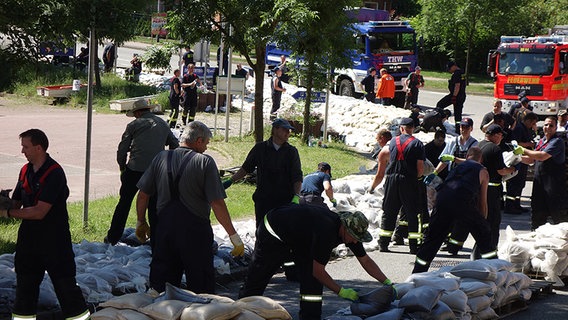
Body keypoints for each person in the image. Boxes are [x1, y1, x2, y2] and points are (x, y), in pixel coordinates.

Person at [135, 121, 244, 293]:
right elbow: (216, 203)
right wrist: (233, 235)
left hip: (164, 231)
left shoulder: (161, 158)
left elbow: (143, 195)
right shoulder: (205, 162)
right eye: (207, 143)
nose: (207, 148)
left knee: (161, 288)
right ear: (199, 140)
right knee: (200, 287)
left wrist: (141, 222)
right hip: (195, 233)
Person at [238, 208, 394, 320]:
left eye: (357, 238)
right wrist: (341, 291)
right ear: (344, 228)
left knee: (312, 283)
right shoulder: (326, 232)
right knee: (260, 273)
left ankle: (310, 316)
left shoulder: (351, 232)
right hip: (274, 230)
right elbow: (319, 271)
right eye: (353, 237)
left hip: (302, 238)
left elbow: (365, 260)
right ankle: (239, 310)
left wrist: (386, 282)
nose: (354, 241)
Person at [0, 129, 90, 320]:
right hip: (29, 240)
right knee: (25, 290)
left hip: (54, 240)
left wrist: (7, 213)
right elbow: (17, 202)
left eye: (25, 147)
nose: (22, 151)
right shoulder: (25, 171)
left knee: (66, 289)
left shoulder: (54, 173)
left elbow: (39, 212)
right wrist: (4, 202)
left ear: (38, 148)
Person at [106, 99, 179, 246]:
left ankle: (113, 237)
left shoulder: (133, 125)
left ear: (138, 112)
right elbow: (174, 145)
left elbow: (122, 149)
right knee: (154, 206)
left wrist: (122, 167)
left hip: (134, 169)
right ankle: (156, 241)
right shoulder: (163, 124)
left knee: (124, 203)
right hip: (156, 171)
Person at [413, 147, 498, 273]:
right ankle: (494, 269)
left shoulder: (457, 168)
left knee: (433, 238)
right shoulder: (483, 171)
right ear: (481, 159)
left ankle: (418, 272)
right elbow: (482, 201)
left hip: (443, 201)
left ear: (467, 155)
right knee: (484, 234)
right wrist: (482, 222)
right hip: (463, 202)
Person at [224, 118, 302, 227]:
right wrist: (231, 180)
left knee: (283, 231)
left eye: (289, 131)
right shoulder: (260, 149)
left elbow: (297, 175)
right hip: (264, 199)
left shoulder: (291, 151)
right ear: (275, 130)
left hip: (284, 200)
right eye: (285, 129)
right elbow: (246, 168)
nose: (288, 133)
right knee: (262, 231)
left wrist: (296, 196)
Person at [378, 117, 425, 253]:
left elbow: (385, 157)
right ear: (412, 128)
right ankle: (413, 246)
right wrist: (418, 180)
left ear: (401, 128)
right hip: (409, 179)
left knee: (389, 211)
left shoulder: (392, 142)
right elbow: (420, 168)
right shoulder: (417, 144)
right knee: (412, 213)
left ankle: (383, 243)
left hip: (392, 179)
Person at [517, 116, 568, 230]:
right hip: (540, 186)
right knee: (537, 217)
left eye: (551, 125)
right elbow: (531, 159)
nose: (547, 128)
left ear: (555, 128)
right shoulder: (541, 141)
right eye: (545, 125)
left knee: (559, 219)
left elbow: (541, 156)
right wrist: (517, 158)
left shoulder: (557, 142)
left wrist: (523, 149)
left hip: (554, 188)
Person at [426, 117, 478, 185]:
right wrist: (435, 173)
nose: (464, 130)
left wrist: (454, 159)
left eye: (467, 127)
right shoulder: (453, 141)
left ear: (471, 129)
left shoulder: (474, 144)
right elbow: (444, 161)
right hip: (452, 176)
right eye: (462, 127)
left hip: (467, 178)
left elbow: (472, 162)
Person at [504, 112, 537, 214]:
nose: (533, 126)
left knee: (521, 184)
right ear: (528, 120)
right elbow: (516, 143)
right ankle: (509, 206)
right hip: (518, 160)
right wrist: (528, 144)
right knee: (515, 183)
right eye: (532, 123)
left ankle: (516, 204)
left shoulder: (526, 129)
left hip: (524, 161)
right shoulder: (519, 128)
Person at [436, 61, 466, 134]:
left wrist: (454, 96)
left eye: (449, 69)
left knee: (439, 105)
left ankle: (440, 121)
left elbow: (457, 85)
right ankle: (458, 129)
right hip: (462, 96)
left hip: (456, 96)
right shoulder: (462, 72)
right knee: (458, 113)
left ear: (453, 66)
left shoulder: (456, 73)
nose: (449, 70)